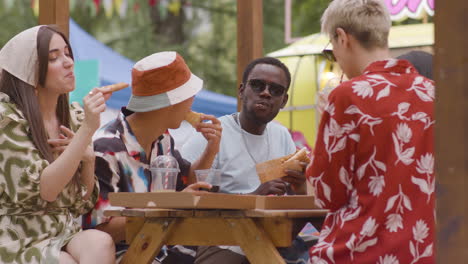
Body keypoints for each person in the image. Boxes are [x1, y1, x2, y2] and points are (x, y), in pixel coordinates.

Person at [307, 0, 435, 263]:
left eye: (331, 50)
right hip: (427, 251)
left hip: (360, 251)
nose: (337, 59)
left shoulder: (347, 96)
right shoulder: (435, 92)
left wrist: (324, 120)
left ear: (342, 38)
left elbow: (325, 195)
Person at [82, 51, 221, 263]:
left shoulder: (163, 139)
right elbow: (99, 231)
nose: (193, 101)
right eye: (189, 95)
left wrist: (211, 148)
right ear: (170, 102)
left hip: (167, 249)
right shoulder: (107, 148)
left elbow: (187, 185)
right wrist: (168, 207)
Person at [0, 25, 115, 263]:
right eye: (53, 57)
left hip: (63, 232)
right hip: (17, 238)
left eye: (67, 53)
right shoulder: (8, 119)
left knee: (100, 242)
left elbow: (82, 203)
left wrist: (89, 159)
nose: (68, 62)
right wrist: (86, 131)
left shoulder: (74, 117)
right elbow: (48, 190)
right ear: (30, 71)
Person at [182, 57, 308, 263]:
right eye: (258, 85)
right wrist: (254, 197)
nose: (266, 93)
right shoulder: (212, 133)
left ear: (283, 101)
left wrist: (301, 186)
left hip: (272, 236)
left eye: (275, 90)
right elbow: (188, 199)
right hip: (221, 240)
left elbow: (295, 197)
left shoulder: (281, 135)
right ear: (242, 91)